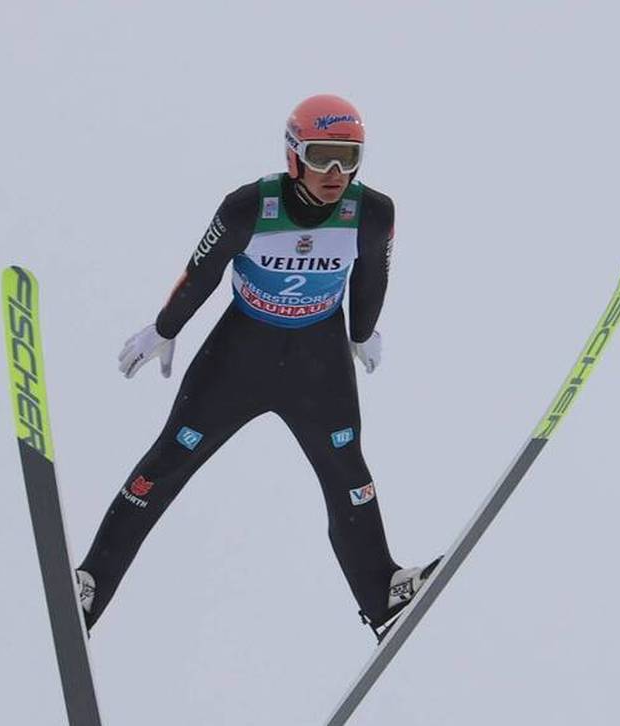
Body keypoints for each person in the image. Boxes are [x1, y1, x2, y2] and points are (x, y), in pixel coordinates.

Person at [75, 94, 437, 639]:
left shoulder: (372, 212)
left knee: (348, 472)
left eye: (348, 157)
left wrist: (362, 334)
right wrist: (165, 327)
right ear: (294, 155)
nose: (335, 172)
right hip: (240, 355)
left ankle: (383, 593)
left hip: (318, 362)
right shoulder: (249, 206)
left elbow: (372, 279)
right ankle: (89, 587)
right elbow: (203, 271)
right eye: (321, 156)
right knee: (168, 460)